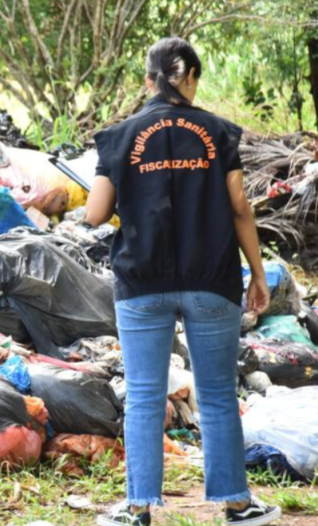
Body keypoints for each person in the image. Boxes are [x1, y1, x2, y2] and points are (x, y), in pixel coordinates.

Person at [85, 37, 281, 526]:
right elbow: (240, 208)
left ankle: (137, 509)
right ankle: (237, 504)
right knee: (216, 394)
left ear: (148, 80)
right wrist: (257, 274)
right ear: (190, 77)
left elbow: (94, 213)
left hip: (142, 280)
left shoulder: (120, 136)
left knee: (145, 394)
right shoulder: (218, 132)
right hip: (211, 278)